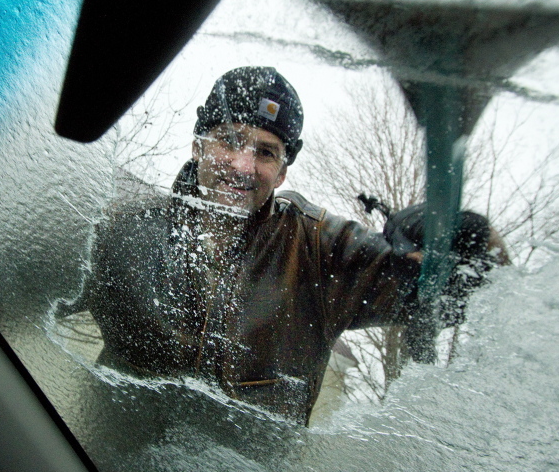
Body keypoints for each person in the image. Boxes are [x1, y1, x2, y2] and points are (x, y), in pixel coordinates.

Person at [76, 66, 498, 424]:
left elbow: (469, 293)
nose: (243, 165)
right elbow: (20, 286)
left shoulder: (320, 253)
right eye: (229, 140)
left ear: (281, 174)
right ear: (197, 145)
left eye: (265, 152)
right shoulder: (124, 232)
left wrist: (468, 236)